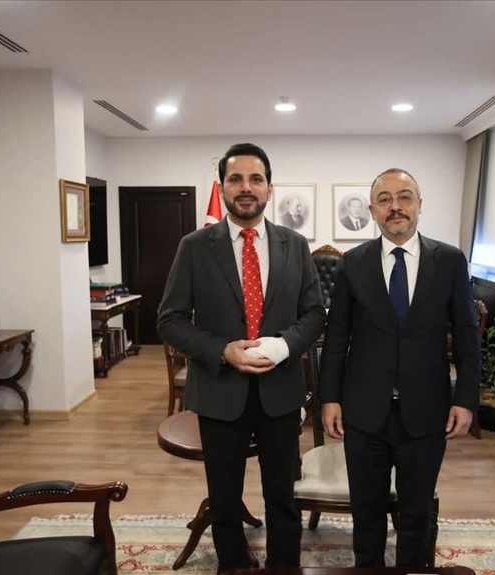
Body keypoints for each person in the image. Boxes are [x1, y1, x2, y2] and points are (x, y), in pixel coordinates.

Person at [157, 143, 326, 572]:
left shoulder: (295, 245)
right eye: (236, 179)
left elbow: (314, 314)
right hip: (219, 393)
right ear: (222, 187)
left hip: (280, 392)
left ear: (270, 187)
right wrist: (222, 351)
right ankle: (232, 564)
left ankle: (283, 566)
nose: (246, 187)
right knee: (225, 498)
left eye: (256, 179)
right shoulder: (195, 247)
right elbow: (170, 320)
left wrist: (283, 346)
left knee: (282, 495)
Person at [318, 168, 481, 567]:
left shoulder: (449, 261)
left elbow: (466, 335)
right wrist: (329, 398)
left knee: (416, 512)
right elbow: (337, 337)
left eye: (404, 197)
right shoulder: (353, 263)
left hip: (426, 411)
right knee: (366, 511)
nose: (396, 207)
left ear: (419, 205)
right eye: (385, 199)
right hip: (363, 410)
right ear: (373, 209)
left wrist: (466, 399)